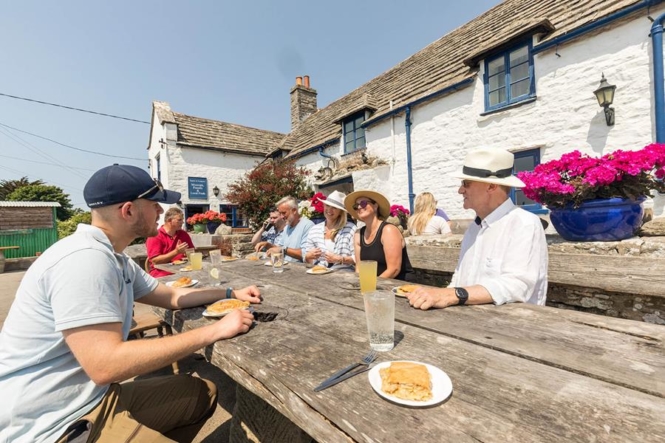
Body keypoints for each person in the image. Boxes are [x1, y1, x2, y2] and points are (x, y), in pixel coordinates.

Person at [0, 164, 261, 443]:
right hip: (52, 424)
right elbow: (105, 366)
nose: (160, 212)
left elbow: (171, 296)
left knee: (200, 393)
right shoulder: (84, 260)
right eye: (154, 204)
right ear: (128, 211)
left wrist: (230, 293)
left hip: (90, 398)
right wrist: (215, 330)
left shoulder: (115, 258)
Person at [407, 148, 548, 310]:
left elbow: (517, 286)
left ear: (491, 186)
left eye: (466, 183)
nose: (460, 190)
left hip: (511, 328)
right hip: (473, 323)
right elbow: (459, 279)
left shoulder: (524, 223)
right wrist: (436, 296)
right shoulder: (474, 228)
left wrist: (449, 295)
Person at [344, 190, 414, 280]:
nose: (359, 207)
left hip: (399, 284)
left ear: (375, 206)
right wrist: (359, 284)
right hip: (374, 284)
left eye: (363, 203)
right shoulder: (358, 234)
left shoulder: (388, 230)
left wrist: (371, 285)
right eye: (356, 205)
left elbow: (394, 269)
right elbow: (359, 267)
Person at [302, 190, 357, 269]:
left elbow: (357, 258)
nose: (329, 210)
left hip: (343, 274)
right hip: (319, 272)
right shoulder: (314, 230)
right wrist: (308, 256)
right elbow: (309, 261)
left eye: (334, 207)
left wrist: (340, 259)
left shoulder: (350, 229)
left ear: (340, 212)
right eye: (327, 205)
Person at [145, 206, 195, 277]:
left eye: (182, 220)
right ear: (169, 220)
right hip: (162, 272)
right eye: (179, 220)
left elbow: (191, 251)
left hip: (182, 270)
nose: (182, 222)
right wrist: (176, 252)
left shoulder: (183, 234)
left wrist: (189, 255)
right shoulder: (155, 236)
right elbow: (155, 261)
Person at [265, 196, 314, 262]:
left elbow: (306, 254)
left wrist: (283, 250)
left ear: (294, 211)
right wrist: (267, 245)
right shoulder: (287, 227)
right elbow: (279, 247)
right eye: (280, 213)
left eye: (284, 213)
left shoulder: (308, 225)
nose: (281, 216)